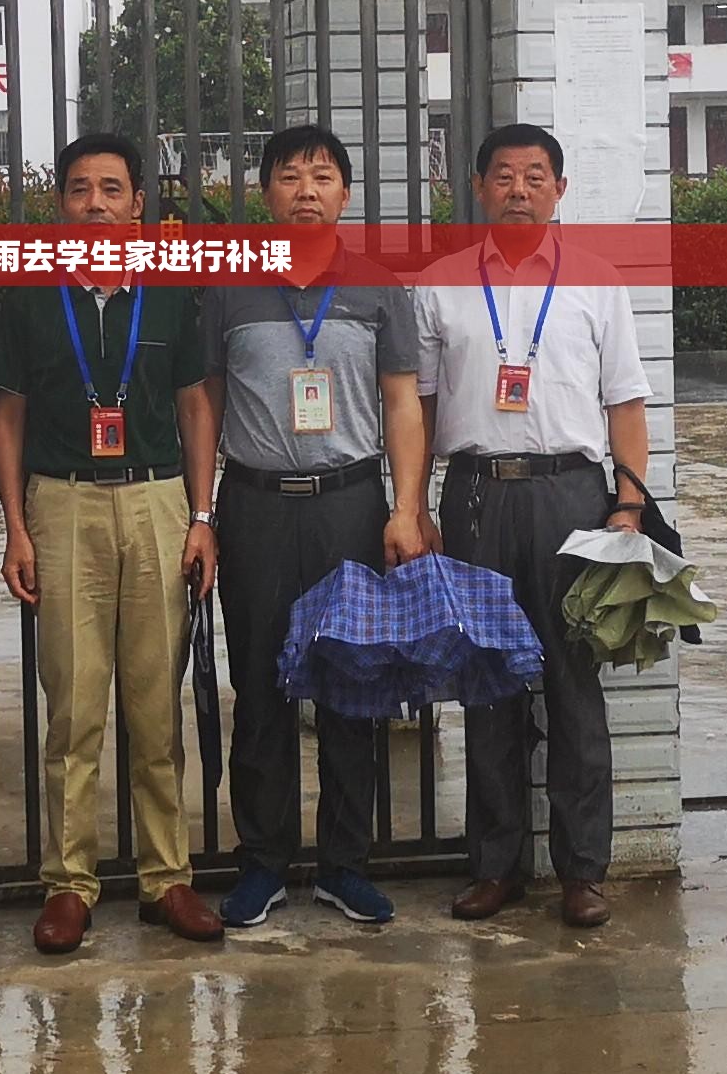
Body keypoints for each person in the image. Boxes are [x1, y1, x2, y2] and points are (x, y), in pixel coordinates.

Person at [0, 133, 227, 954]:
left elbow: (196, 405)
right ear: (61, 204)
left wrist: (203, 515)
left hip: (158, 503)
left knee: (156, 709)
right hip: (64, 507)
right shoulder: (26, 297)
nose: (96, 204)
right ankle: (69, 883)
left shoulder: (168, 295)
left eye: (112, 190)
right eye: (81, 189)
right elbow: (6, 414)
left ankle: (168, 878)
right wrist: (14, 525)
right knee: (75, 708)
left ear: (137, 203)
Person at [413, 121, 657, 928]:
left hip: (570, 496)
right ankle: (496, 865)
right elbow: (414, 406)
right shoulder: (440, 283)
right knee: (487, 684)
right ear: (478, 187)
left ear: (560, 188)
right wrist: (411, 504)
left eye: (536, 176)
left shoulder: (596, 281)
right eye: (505, 176)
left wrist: (628, 503)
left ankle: (583, 870)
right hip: (476, 495)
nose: (520, 189)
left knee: (571, 684)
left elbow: (624, 401)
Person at [195, 123, 430, 933]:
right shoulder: (229, 285)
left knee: (351, 683)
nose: (306, 190)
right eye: (290, 176)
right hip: (256, 505)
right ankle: (261, 863)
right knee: (258, 684)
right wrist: (203, 512)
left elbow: (402, 402)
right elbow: (205, 404)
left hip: (350, 503)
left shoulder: (375, 287)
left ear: (345, 194)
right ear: (265, 192)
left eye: (322, 176)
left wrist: (406, 508)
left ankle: (344, 865)